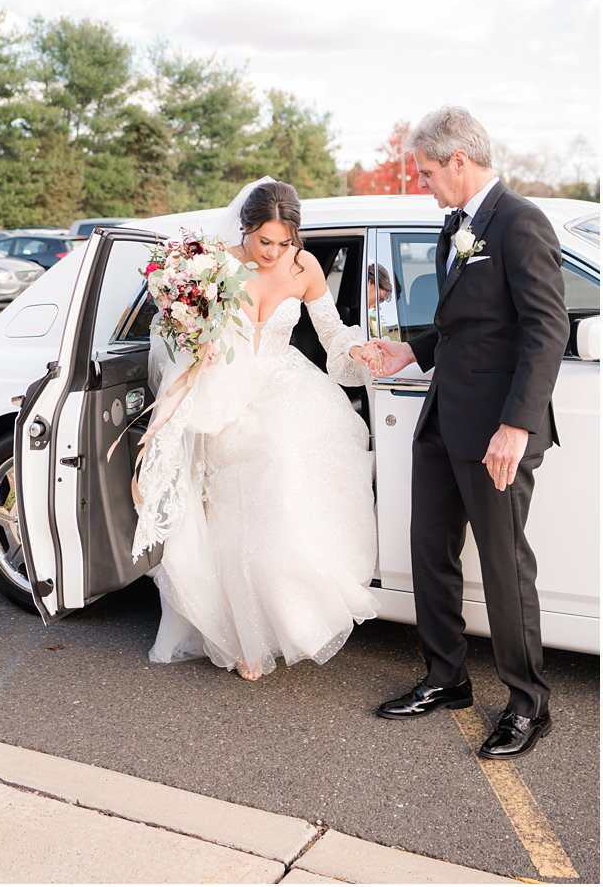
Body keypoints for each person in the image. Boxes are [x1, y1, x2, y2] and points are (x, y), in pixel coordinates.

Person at [368, 106, 567, 759]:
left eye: (427, 172)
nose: (423, 183)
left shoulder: (520, 222)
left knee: (506, 569)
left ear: (459, 161)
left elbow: (545, 328)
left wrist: (516, 425)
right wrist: (410, 351)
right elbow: (466, 325)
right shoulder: (455, 226)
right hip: (441, 422)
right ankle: (446, 678)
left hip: (495, 432)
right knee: (429, 547)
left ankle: (528, 705)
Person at [141, 177, 382, 681]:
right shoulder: (210, 266)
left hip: (284, 384)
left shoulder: (305, 267)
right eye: (264, 241)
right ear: (245, 229)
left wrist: (355, 350)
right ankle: (240, 636)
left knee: (285, 478)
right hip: (223, 391)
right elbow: (179, 334)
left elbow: (331, 334)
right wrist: (195, 347)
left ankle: (284, 620)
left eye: (285, 241)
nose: (274, 252)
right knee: (230, 514)